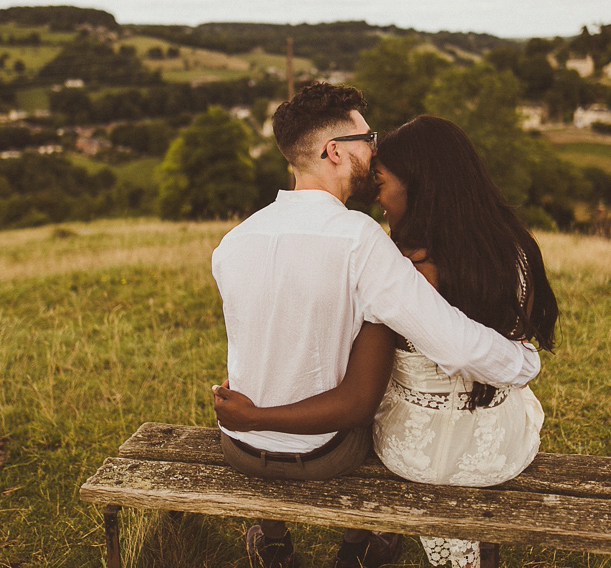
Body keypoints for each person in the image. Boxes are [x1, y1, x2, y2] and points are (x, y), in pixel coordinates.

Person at [211, 87, 542, 568]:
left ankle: (291, 541)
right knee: (376, 401)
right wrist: (521, 360)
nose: (375, 146)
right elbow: (453, 347)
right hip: (325, 451)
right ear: (336, 152)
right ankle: (364, 543)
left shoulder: (233, 241)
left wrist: (252, 417)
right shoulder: (360, 239)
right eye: (368, 137)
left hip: (237, 444)